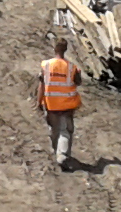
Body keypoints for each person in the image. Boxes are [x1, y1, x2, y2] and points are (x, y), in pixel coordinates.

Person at [34, 33, 86, 168]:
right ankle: (62, 156)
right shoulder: (71, 67)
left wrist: (39, 101)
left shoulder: (46, 65)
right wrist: (79, 75)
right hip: (67, 105)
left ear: (54, 48)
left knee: (54, 130)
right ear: (65, 49)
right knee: (65, 131)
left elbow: (42, 85)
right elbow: (78, 83)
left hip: (51, 104)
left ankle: (56, 151)